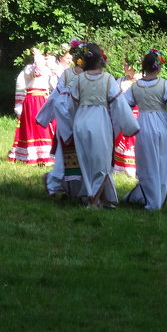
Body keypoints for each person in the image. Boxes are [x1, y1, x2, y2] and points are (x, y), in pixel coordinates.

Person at [54, 42, 140, 207]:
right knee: (102, 163)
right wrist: (130, 126)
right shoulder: (108, 79)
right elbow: (119, 104)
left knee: (86, 162)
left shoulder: (78, 79)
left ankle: (100, 198)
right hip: (99, 121)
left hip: (81, 121)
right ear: (101, 59)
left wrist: (73, 123)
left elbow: (71, 106)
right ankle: (93, 200)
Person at [122, 49, 167, 210]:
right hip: (161, 126)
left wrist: (124, 124)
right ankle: (155, 199)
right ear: (158, 67)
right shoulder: (164, 85)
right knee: (163, 161)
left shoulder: (135, 87)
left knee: (147, 163)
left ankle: (149, 196)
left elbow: (122, 106)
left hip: (142, 127)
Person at [37, 39, 82, 196]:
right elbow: (57, 97)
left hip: (82, 119)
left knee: (78, 157)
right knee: (65, 158)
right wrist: (44, 117)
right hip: (67, 120)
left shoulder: (88, 76)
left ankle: (71, 188)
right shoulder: (68, 74)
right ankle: (53, 183)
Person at [8, 47, 55, 165]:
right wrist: (38, 56)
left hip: (43, 98)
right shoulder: (29, 69)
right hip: (33, 99)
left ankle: (46, 156)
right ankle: (35, 156)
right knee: (36, 126)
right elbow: (37, 73)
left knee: (45, 126)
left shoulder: (46, 69)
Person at [112, 60, 139, 178]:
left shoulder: (141, 80)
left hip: (136, 112)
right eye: (124, 64)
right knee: (120, 137)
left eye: (127, 64)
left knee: (132, 138)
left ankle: (133, 167)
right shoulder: (121, 80)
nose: (124, 67)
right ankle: (121, 166)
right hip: (122, 111)